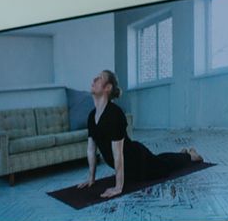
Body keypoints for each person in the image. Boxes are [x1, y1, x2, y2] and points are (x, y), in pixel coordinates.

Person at [77, 70, 204, 198]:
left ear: (108, 87)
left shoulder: (115, 114)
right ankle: (181, 154)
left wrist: (118, 187)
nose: (94, 79)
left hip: (137, 161)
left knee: (164, 167)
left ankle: (189, 156)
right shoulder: (91, 116)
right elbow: (91, 150)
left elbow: (118, 154)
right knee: (158, 160)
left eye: (99, 78)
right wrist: (91, 178)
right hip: (129, 167)